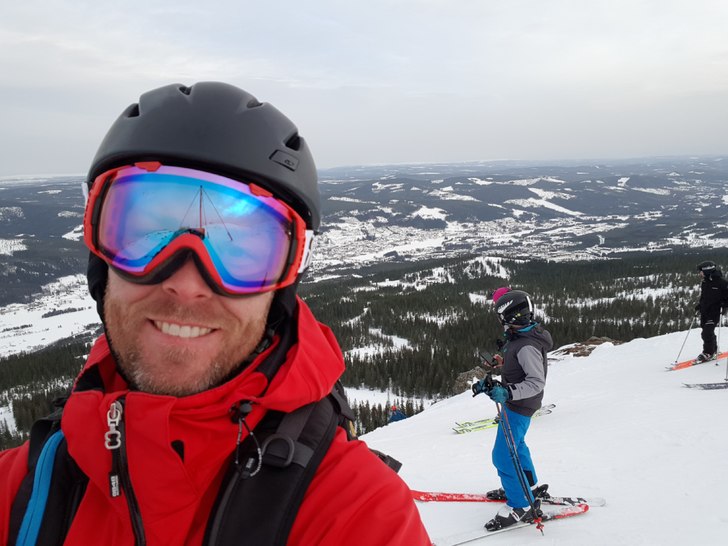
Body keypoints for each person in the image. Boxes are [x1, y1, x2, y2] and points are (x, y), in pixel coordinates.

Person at [0, 82, 430, 545]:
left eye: (240, 248)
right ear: (100, 264)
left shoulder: (356, 513)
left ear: (282, 287)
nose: (187, 285)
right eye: (147, 233)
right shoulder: (18, 491)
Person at [471, 289, 552, 531]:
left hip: (519, 405)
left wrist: (507, 392)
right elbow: (521, 365)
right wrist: (502, 364)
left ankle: (520, 505)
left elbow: (536, 382)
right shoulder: (522, 336)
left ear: (510, 317)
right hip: (518, 403)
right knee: (517, 446)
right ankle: (528, 486)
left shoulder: (525, 344)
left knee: (503, 455)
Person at [694, 260, 728, 363]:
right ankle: (714, 349)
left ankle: (708, 353)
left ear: (707, 270)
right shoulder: (705, 282)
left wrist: (724, 305)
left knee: (707, 333)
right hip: (705, 311)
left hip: (715, 311)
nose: (700, 274)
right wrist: (700, 305)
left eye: (701, 271)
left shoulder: (722, 282)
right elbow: (704, 296)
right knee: (707, 331)